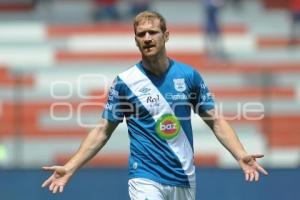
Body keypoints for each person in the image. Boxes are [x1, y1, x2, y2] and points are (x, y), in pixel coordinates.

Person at [42, 11, 268, 200]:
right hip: (144, 176)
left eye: (153, 32)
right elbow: (102, 130)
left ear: (166, 36)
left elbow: (216, 121)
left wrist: (240, 155)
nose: (147, 38)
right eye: (141, 34)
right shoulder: (125, 83)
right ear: (136, 40)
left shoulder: (189, 76)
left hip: (184, 176)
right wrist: (70, 167)